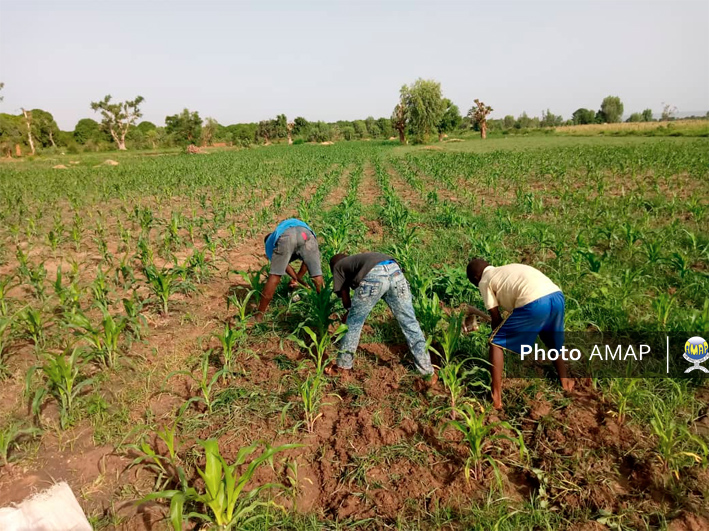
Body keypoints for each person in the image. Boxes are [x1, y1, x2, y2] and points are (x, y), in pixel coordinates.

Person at [466, 258, 574, 409]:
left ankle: (495, 397)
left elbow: (496, 319)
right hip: (556, 295)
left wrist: (496, 333)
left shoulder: (484, 281)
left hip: (534, 301)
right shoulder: (506, 269)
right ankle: (565, 380)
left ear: (476, 279)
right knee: (550, 338)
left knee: (496, 342)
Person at [327, 252, 435, 380]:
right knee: (410, 323)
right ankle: (427, 371)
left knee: (354, 323)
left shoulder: (338, 266)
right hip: (395, 271)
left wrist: (349, 311)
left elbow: (344, 296)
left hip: (374, 275)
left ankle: (343, 368)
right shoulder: (358, 259)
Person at [256, 218, 324, 320]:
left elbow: (282, 267)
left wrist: (297, 279)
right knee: (317, 276)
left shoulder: (269, 243)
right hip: (306, 234)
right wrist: (299, 279)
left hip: (287, 236)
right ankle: (324, 310)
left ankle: (259, 316)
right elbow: (307, 261)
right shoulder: (284, 227)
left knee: (274, 276)